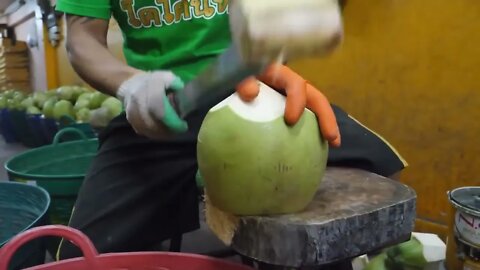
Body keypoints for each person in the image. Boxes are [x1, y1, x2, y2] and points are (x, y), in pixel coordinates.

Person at [54, 0, 407, 260]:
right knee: (80, 253)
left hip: (251, 91)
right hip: (160, 108)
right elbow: (81, 40)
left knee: (376, 165)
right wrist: (131, 86)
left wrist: (274, 42)